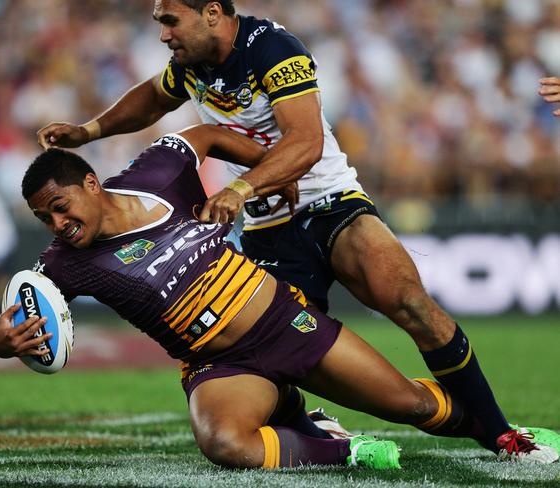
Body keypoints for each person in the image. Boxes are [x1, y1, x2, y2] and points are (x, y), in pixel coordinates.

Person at [35, 0, 560, 457]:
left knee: (408, 300)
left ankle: (501, 435)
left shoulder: (272, 47)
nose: (163, 33)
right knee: (271, 361)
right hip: (267, 229)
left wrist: (240, 189)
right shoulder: (190, 64)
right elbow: (153, 96)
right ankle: (313, 427)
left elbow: (305, 142)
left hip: (330, 202)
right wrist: (91, 130)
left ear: (212, 13)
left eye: (170, 20)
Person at [0, 125, 557, 467]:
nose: (56, 223)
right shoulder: (65, 263)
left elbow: (203, 135)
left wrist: (260, 168)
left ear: (91, 183)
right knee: (225, 445)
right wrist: (0, 341)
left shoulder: (156, 174)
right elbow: (13, 312)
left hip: (288, 326)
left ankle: (504, 433)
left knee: (416, 406)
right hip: (220, 363)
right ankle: (346, 452)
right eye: (43, 218)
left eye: (60, 206)